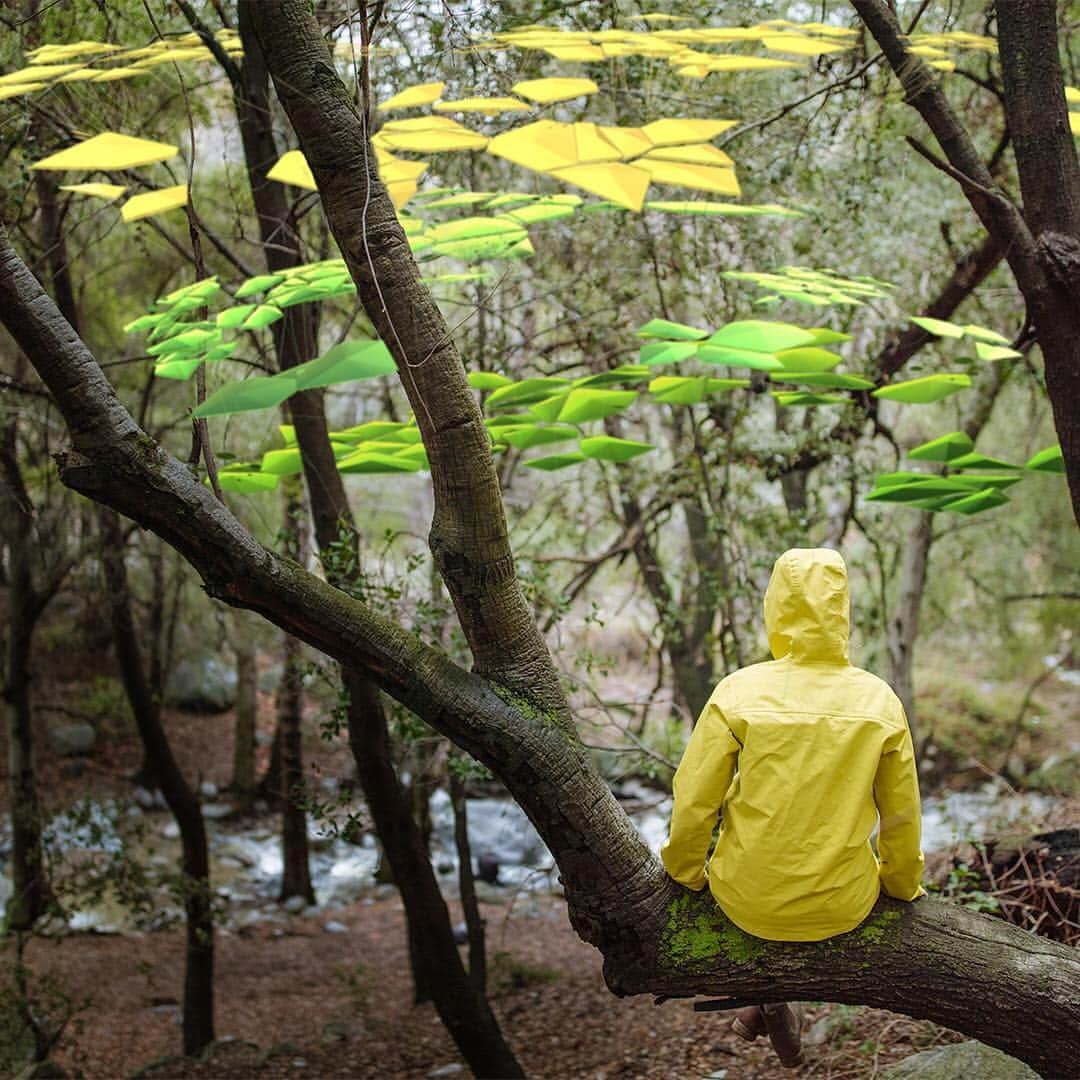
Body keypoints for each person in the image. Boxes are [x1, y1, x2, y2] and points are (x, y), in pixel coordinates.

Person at [661, 548, 925, 1069]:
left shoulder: (738, 691)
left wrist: (686, 872)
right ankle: (774, 1011)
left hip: (746, 898)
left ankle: (771, 1006)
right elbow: (902, 815)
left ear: (775, 608)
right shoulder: (879, 701)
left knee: (761, 889)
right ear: (842, 611)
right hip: (843, 903)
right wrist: (900, 885)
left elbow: (694, 802)